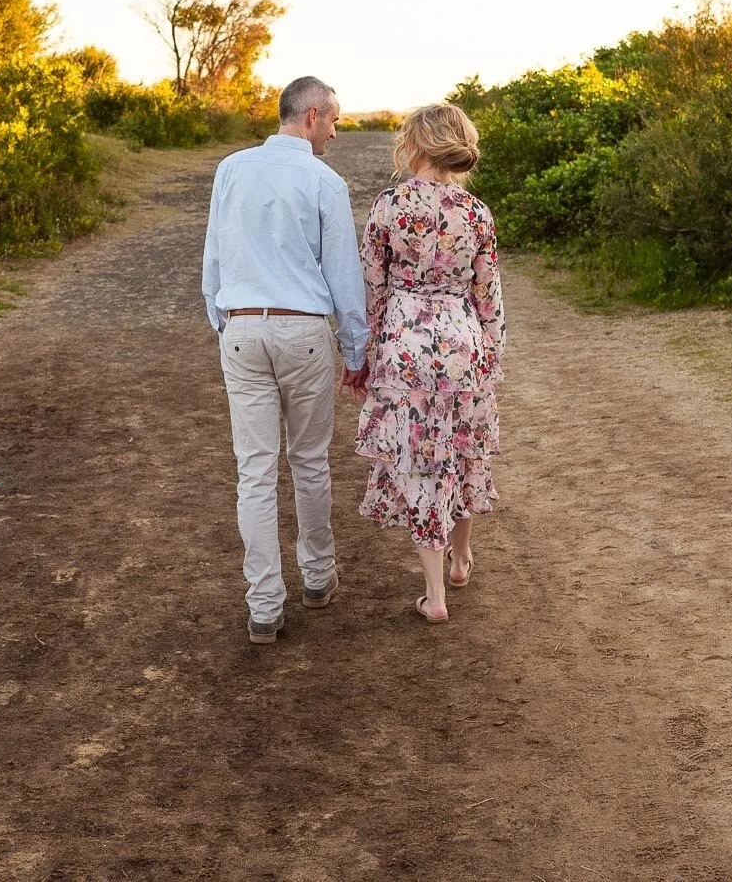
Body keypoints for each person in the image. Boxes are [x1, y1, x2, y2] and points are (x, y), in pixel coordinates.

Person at [201, 76, 370, 644]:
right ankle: (318, 578)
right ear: (312, 116)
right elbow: (344, 275)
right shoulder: (325, 181)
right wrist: (355, 350)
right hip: (302, 333)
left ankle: (265, 606)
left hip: (243, 326)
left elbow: (214, 258)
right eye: (336, 121)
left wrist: (224, 321)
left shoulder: (231, 168)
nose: (337, 132)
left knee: (254, 469)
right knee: (309, 460)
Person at [350, 102, 505, 623]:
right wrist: (492, 355)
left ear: (414, 144)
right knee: (462, 453)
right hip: (463, 345)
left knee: (421, 463)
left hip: (405, 346)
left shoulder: (389, 206)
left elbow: (371, 287)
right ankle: (461, 561)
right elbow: (489, 297)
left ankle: (435, 595)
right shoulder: (477, 212)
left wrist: (365, 354)